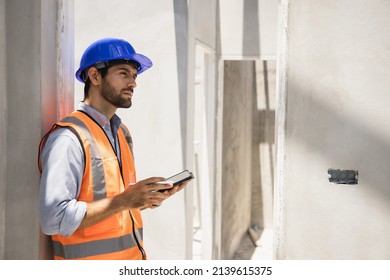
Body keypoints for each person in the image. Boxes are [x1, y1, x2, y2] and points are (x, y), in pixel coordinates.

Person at [38, 38, 188, 260]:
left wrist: (144, 198)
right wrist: (125, 200)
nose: (133, 83)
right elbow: (54, 219)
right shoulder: (68, 138)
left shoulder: (122, 133)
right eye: (124, 73)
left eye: (134, 76)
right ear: (95, 76)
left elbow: (114, 205)